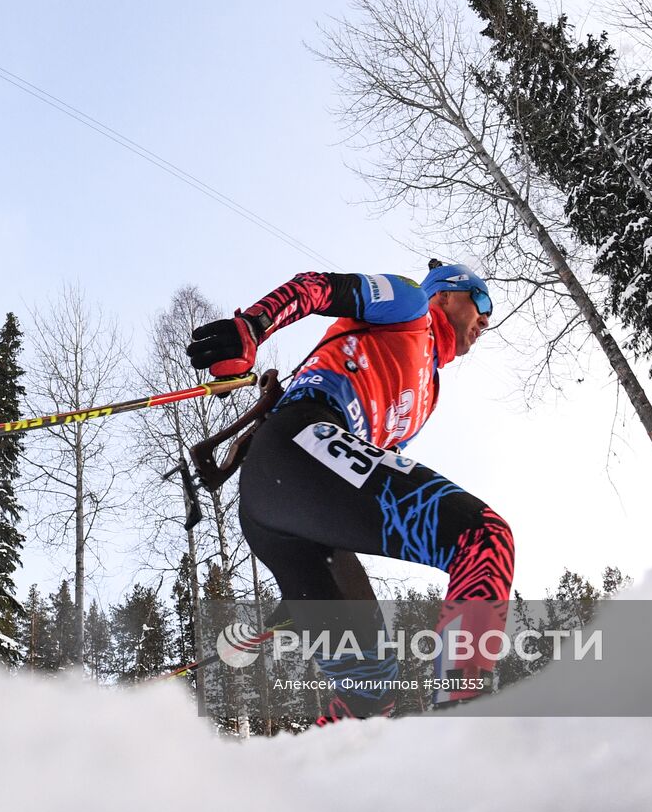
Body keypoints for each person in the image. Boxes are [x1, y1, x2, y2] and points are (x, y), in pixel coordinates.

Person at [187, 261, 515, 724]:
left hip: (299, 511)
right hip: (296, 447)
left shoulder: (429, 394)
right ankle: (461, 730)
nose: (485, 319)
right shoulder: (411, 303)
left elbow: (367, 476)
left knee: (372, 691)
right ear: (444, 293)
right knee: (482, 537)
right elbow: (317, 288)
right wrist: (252, 327)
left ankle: (311, 766)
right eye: (481, 301)